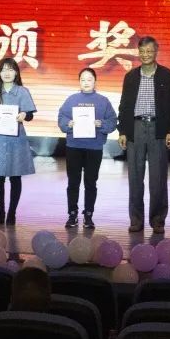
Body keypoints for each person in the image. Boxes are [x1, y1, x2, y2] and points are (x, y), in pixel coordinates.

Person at [117, 36, 170, 234]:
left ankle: (158, 220)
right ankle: (136, 220)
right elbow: (124, 105)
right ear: (139, 52)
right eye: (142, 51)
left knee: (158, 178)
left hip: (157, 129)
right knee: (135, 177)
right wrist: (122, 131)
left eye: (149, 51)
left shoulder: (167, 75)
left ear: (156, 52)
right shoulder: (131, 76)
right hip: (135, 128)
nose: (145, 55)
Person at [57, 67, 118, 229]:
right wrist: (68, 124)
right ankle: (72, 214)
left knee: (91, 183)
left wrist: (101, 124)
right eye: (83, 79)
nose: (86, 82)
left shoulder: (103, 101)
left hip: (94, 148)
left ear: (95, 81)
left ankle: (88, 215)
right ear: (79, 82)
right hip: (74, 146)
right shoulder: (71, 99)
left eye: (89, 79)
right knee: (73, 182)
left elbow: (113, 121)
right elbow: (61, 117)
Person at [0, 57, 36, 225]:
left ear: (16, 73)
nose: (7, 73)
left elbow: (30, 115)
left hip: (17, 139)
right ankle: (0, 212)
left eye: (10, 69)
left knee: (15, 177)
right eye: (3, 70)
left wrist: (24, 114)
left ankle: (12, 213)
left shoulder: (23, 91)